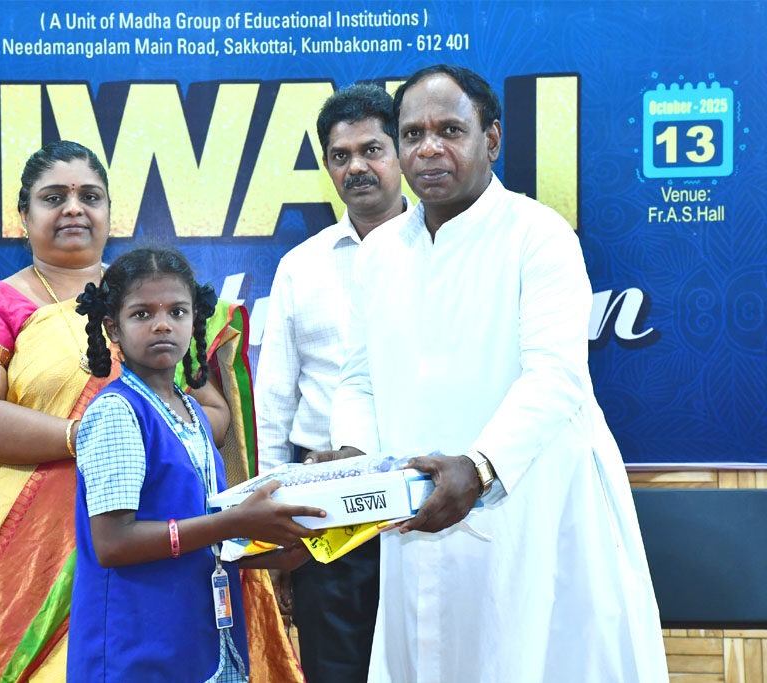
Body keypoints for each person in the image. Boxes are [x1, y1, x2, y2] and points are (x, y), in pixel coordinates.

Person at [326, 65, 670, 682]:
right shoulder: (379, 253)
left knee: (532, 655)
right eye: (412, 134)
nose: (428, 148)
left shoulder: (538, 234)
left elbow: (555, 377)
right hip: (415, 509)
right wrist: (354, 461)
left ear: (491, 139)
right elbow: (358, 379)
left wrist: (480, 466)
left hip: (530, 502)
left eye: (450, 130)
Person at [0, 141, 285, 682]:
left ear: (108, 211)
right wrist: (95, 437)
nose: (74, 208)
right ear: (24, 216)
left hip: (168, 540)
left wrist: (157, 435)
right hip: (30, 561)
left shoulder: (154, 298)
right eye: (54, 197)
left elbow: (212, 415)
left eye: (89, 197)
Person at [69, 247, 325, 681]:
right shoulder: (116, 412)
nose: (163, 324)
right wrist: (234, 523)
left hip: (202, 637)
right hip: (138, 648)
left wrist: (270, 554)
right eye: (142, 314)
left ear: (195, 320)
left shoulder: (190, 411)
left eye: (177, 311)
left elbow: (201, 533)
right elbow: (114, 543)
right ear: (112, 327)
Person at [254, 83, 408, 682]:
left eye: (371, 150)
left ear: (400, 151)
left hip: (426, 496)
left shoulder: (443, 250)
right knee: (336, 669)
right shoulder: (302, 266)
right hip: (328, 508)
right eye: (340, 156)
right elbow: (274, 401)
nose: (356, 167)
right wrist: (275, 518)